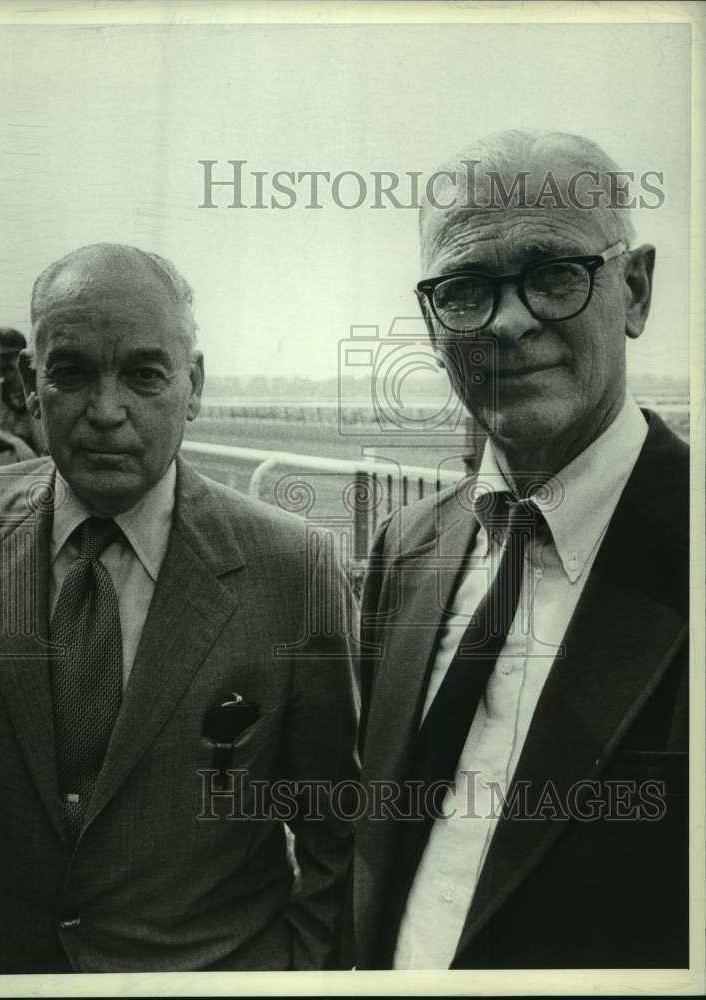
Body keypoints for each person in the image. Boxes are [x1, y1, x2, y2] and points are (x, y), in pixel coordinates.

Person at [0, 243, 359, 974]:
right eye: (72, 373)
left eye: (143, 374)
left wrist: (292, 975)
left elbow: (338, 832)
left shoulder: (293, 569)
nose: (106, 412)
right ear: (30, 384)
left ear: (192, 385)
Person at [352, 131, 689, 969]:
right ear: (432, 322)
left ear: (635, 290)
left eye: (551, 275)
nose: (507, 321)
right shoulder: (406, 549)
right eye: (466, 289)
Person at [0, 327, 47, 463]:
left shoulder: (38, 389)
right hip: (0, 457)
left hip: (35, 459)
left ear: (24, 359)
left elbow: (42, 444)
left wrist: (32, 389)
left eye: (8, 357)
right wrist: (16, 442)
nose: (2, 364)